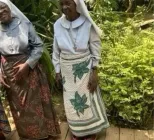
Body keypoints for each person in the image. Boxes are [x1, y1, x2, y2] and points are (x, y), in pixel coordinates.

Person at [0, 0, 61, 139]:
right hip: (10, 74)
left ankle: (43, 134)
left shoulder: (24, 25)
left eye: (3, 8)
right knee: (19, 108)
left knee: (34, 105)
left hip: (29, 70)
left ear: (9, 8)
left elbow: (38, 46)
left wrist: (27, 65)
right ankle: (27, 135)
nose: (0, 12)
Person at [52, 0, 109, 140]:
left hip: (84, 67)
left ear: (77, 4)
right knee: (71, 101)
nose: (65, 7)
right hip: (66, 70)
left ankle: (91, 131)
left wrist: (95, 71)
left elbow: (95, 46)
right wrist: (57, 71)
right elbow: (55, 50)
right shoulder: (58, 25)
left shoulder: (87, 23)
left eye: (68, 3)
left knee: (87, 99)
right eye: (62, 4)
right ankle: (77, 131)